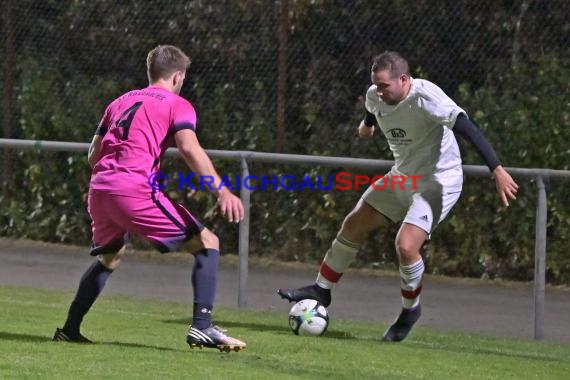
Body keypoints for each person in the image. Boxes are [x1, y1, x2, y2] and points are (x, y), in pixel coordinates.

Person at [278, 51, 519, 342]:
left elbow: (466, 126)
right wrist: (366, 126)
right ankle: (322, 289)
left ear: (404, 80)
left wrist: (497, 169)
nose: (378, 91)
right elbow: (371, 110)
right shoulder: (374, 95)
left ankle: (410, 310)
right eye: (376, 86)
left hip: (438, 181)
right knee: (353, 224)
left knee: (406, 246)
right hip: (402, 176)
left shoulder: (426, 98)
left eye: (384, 86)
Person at [53, 45, 247, 352]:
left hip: (100, 188)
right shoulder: (177, 103)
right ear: (178, 76)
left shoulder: (119, 101)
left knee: (110, 256)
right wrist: (221, 190)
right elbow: (189, 148)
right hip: (132, 188)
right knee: (207, 242)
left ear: (151, 71)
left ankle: (69, 329)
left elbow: (93, 155)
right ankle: (202, 327)